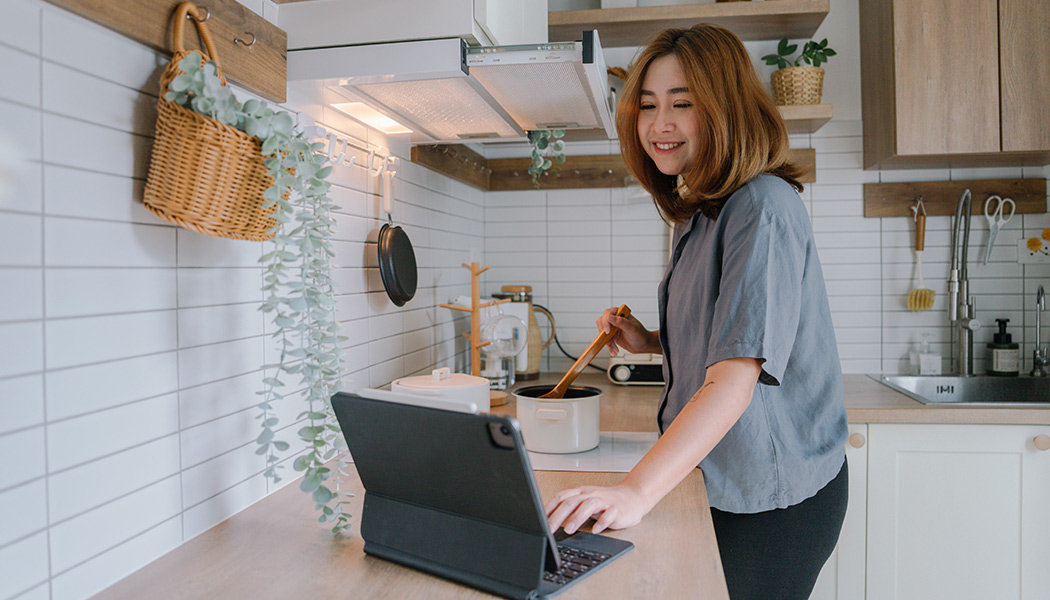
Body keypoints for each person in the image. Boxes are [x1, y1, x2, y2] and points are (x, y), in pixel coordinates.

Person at [544, 24, 849, 600]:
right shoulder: (703, 213)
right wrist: (651, 340)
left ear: (725, 108)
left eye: (682, 104)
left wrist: (636, 491)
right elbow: (732, 328)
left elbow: (735, 378)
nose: (660, 124)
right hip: (721, 477)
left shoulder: (761, 206)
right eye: (648, 106)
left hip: (772, 497)